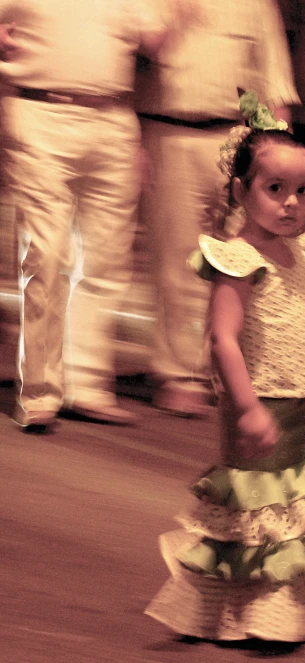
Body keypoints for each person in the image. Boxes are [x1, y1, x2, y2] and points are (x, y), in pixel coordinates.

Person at [145, 95, 305, 642]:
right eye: (275, 189)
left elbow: (285, 314)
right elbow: (224, 340)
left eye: (303, 191)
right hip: (257, 405)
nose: (291, 204)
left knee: (300, 505)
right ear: (241, 191)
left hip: (299, 402)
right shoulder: (235, 259)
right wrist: (246, 408)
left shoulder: (293, 251)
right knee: (259, 511)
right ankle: (259, 610)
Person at [0, 1, 167, 432]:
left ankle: (88, 384)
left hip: (113, 117)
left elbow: (156, 38)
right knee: (46, 254)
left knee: (107, 258)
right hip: (40, 111)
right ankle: (39, 391)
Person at [135, 0, 300, 417]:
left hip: (238, 138)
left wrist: (282, 156)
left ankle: (229, 369)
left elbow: (274, 81)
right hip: (169, 133)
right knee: (178, 262)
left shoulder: (257, 5)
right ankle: (179, 374)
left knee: (241, 261)